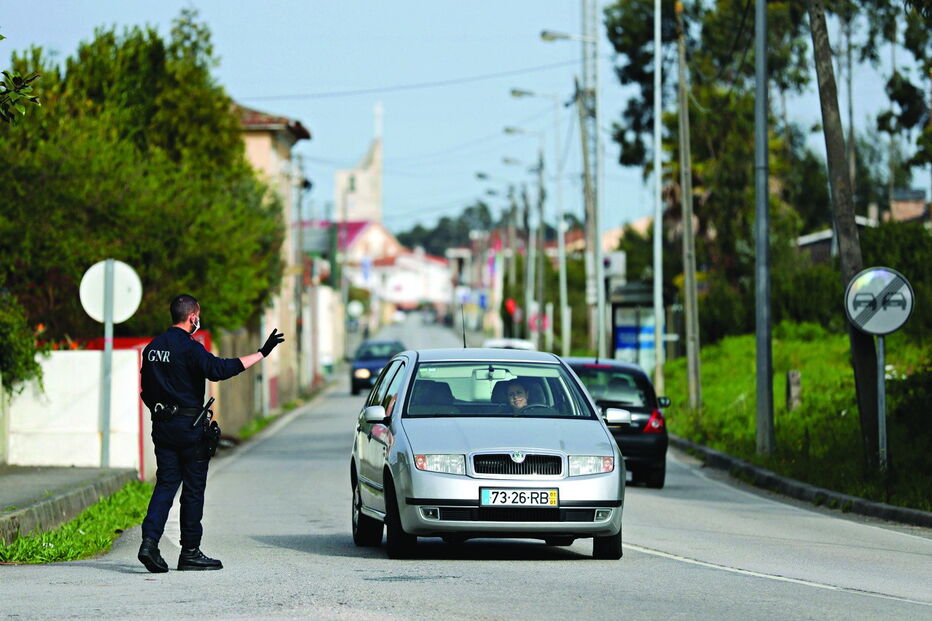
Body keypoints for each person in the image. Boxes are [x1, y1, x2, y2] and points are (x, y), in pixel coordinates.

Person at [137, 294, 284, 573]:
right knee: (192, 490)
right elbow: (219, 370)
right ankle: (190, 552)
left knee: (166, 484)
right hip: (190, 428)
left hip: (163, 426)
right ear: (193, 317)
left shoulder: (152, 348)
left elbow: (144, 391)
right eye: (198, 316)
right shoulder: (191, 348)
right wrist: (262, 353)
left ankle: (149, 542)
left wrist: (160, 412)